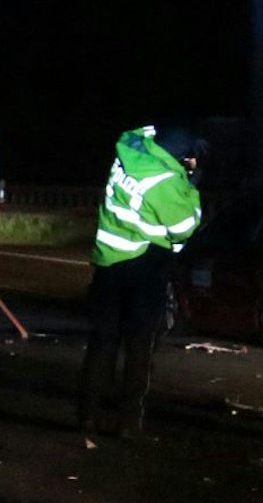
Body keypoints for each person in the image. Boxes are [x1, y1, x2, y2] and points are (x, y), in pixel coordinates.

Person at [78, 123, 204, 449]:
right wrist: (191, 185)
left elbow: (139, 131)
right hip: (144, 265)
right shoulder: (165, 180)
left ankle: (87, 416)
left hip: (108, 260)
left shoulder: (127, 150)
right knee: (139, 347)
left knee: (102, 343)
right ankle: (129, 423)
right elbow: (184, 226)